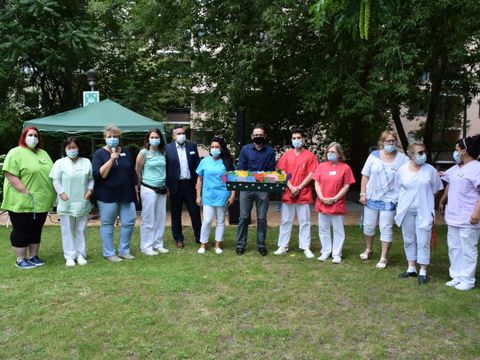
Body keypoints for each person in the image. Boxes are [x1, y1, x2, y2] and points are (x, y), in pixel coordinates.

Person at [1, 126, 55, 269]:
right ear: (24, 137)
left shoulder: (43, 153)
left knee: (36, 229)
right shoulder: (15, 152)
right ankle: (20, 259)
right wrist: (23, 190)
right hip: (22, 200)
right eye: (30, 135)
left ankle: (33, 256)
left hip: (41, 201)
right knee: (22, 229)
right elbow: (9, 174)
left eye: (36, 135)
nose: (33, 138)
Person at [359, 130, 409, 268]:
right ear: (382, 142)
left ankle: (383, 257)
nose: (390, 143)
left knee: (386, 227)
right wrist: (363, 194)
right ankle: (368, 249)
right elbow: (365, 175)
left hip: (390, 199)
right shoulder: (374, 156)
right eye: (388, 141)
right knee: (368, 226)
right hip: (372, 197)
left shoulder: (403, 159)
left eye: (393, 141)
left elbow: (409, 174)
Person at [395, 142, 443, 284]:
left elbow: (436, 188)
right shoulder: (402, 170)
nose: (423, 155)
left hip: (424, 210)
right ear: (410, 154)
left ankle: (423, 270)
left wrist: (425, 198)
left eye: (424, 152)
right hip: (406, 210)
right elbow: (398, 188)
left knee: (423, 240)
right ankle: (411, 268)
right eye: (420, 152)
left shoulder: (430, 170)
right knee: (409, 239)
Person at [439, 136, 480, 291]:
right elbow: (446, 179)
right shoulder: (457, 168)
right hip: (454, 215)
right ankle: (456, 275)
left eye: (456, 150)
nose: (454, 153)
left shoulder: (477, 168)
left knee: (468, 248)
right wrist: (442, 200)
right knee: (454, 247)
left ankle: (468, 279)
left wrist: (477, 212)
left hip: (469, 216)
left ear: (464, 151)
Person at [92, 125, 138, 262]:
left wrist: (136, 190)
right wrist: (111, 159)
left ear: (119, 138)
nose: (113, 139)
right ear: (105, 138)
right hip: (107, 195)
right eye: (109, 136)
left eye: (115, 136)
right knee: (108, 224)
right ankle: (109, 252)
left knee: (129, 222)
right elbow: (99, 175)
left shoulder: (126, 152)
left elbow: (132, 173)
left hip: (127, 194)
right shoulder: (99, 154)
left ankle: (124, 250)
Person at [274, 128, 318, 258]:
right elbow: (281, 173)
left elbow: (312, 173)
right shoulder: (286, 155)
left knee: (305, 221)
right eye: (294, 138)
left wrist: (299, 187)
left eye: (299, 138)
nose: (296, 140)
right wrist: (291, 187)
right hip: (288, 192)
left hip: (303, 193)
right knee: (286, 220)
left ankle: (305, 247)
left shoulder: (310, 156)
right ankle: (283, 245)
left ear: (303, 139)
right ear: (291, 140)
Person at [50, 137, 93, 267]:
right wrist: (61, 193)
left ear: (78, 148)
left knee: (81, 228)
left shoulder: (86, 162)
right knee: (67, 229)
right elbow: (55, 180)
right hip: (66, 200)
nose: (71, 150)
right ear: (65, 149)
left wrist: (90, 191)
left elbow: (91, 179)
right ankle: (69, 256)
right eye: (69, 147)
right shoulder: (59, 163)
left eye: (74, 147)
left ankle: (80, 254)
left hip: (82, 199)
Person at [236, 124, 276, 256]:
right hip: (246, 188)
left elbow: (271, 170)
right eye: (256, 135)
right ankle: (240, 244)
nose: (258, 137)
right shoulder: (245, 149)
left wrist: (258, 175)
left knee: (261, 218)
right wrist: (257, 175)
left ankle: (261, 244)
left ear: (264, 136)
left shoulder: (270, 151)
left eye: (260, 135)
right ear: (252, 136)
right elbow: (242, 168)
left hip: (263, 188)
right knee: (243, 217)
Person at [313, 142, 355, 263]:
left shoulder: (345, 168)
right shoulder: (321, 166)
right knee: (323, 228)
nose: (330, 154)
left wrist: (335, 198)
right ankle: (325, 251)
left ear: (339, 154)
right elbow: (317, 183)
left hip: (337, 202)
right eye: (328, 152)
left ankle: (337, 253)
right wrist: (321, 197)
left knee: (338, 229)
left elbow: (346, 185)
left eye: (333, 152)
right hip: (322, 202)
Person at [195, 137, 236, 254]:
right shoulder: (204, 161)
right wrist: (198, 196)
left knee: (220, 221)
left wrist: (232, 195)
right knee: (207, 220)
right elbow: (199, 180)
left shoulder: (226, 163)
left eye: (217, 147)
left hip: (223, 195)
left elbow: (231, 180)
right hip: (208, 195)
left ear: (221, 148)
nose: (214, 149)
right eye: (212, 147)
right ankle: (203, 244)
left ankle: (218, 245)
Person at [165, 125, 201, 248]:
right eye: (179, 133)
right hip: (175, 186)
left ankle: (200, 237)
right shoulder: (167, 149)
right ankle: (178, 239)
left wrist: (198, 182)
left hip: (190, 185)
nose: (182, 135)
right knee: (175, 214)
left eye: (183, 133)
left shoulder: (192, 146)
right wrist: (167, 186)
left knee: (195, 212)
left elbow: (197, 165)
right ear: (174, 136)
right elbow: (165, 169)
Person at [135, 128, 169, 256]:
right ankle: (146, 246)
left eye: (156, 137)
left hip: (162, 187)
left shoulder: (162, 153)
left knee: (160, 218)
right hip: (148, 188)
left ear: (160, 139)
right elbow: (137, 171)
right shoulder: (144, 153)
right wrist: (139, 187)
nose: (154, 140)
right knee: (148, 218)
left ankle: (158, 244)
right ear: (148, 139)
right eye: (152, 137)